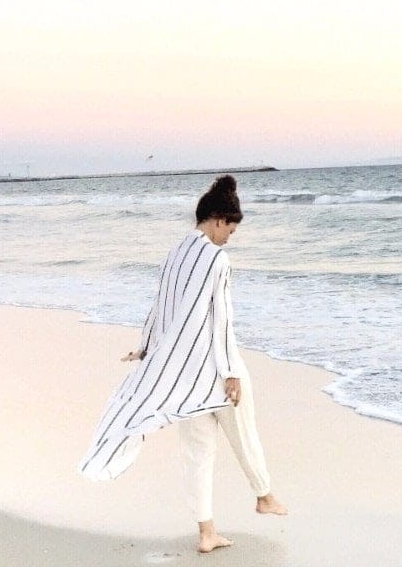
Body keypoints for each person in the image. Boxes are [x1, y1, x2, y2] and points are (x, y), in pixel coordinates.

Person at [79, 175, 287, 553]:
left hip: (181, 376)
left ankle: (207, 532)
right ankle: (264, 495)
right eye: (231, 230)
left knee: (197, 452)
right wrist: (231, 373)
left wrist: (145, 348)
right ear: (219, 219)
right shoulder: (217, 258)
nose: (229, 238)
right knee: (243, 432)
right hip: (214, 370)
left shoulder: (175, 253)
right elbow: (222, 319)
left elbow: (160, 307)